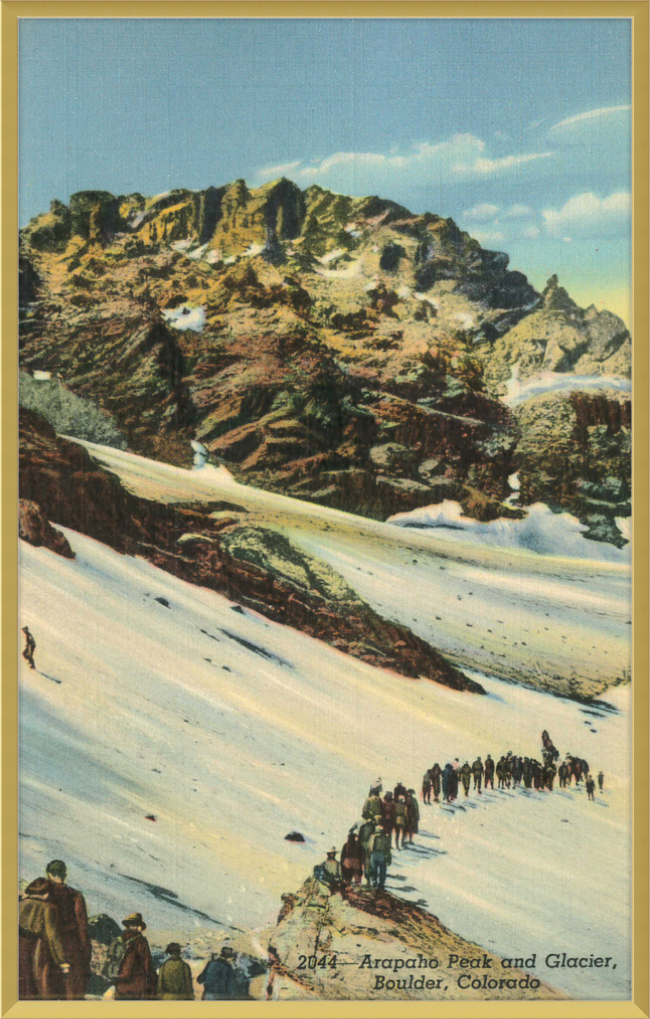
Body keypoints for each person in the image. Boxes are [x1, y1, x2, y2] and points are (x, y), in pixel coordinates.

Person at [41, 860, 90, 1000]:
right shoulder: (76, 896)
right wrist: (85, 954)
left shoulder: (44, 896)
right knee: (71, 992)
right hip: (71, 947)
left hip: (47, 948)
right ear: (64, 874)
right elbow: (82, 928)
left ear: (49, 874)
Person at [19, 878, 68, 1000]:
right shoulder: (49, 908)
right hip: (33, 947)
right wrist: (62, 961)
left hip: (17, 943)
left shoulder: (23, 902)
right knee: (34, 983)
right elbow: (52, 936)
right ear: (47, 893)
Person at [111, 912, 157, 1000]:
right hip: (136, 986)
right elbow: (147, 964)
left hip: (120, 985)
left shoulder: (119, 939)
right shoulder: (140, 940)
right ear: (138, 925)